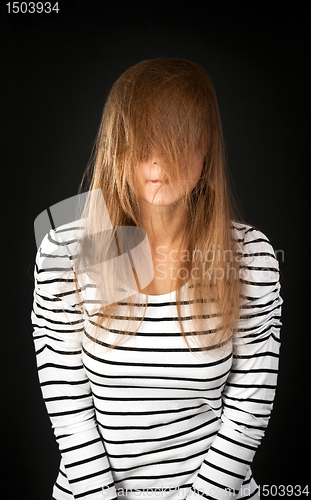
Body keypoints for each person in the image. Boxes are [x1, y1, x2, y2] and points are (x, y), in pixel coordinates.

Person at [32, 58, 282, 500]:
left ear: (206, 151)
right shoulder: (64, 252)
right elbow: (67, 404)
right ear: (118, 144)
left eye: (180, 137)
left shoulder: (251, 257)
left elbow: (248, 409)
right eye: (144, 137)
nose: (159, 156)